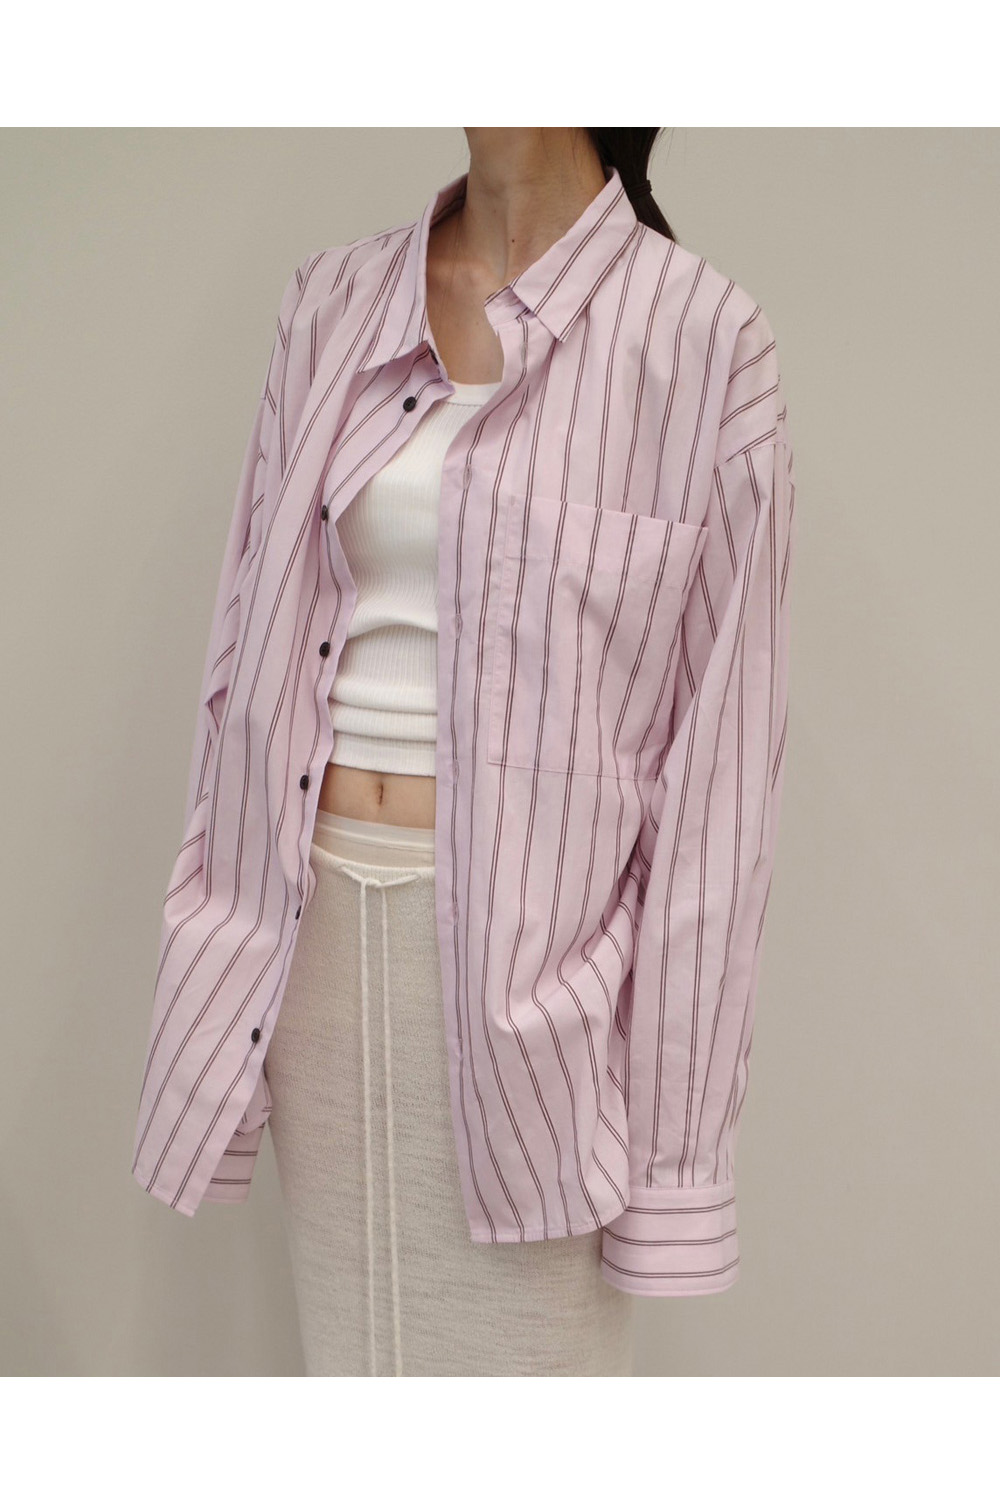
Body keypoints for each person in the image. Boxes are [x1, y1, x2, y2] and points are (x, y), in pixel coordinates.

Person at [131, 127, 797, 1377]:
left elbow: (716, 797)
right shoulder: (329, 304)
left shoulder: (704, 339)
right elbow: (241, 667)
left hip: (538, 1007)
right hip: (315, 959)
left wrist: (674, 1166)